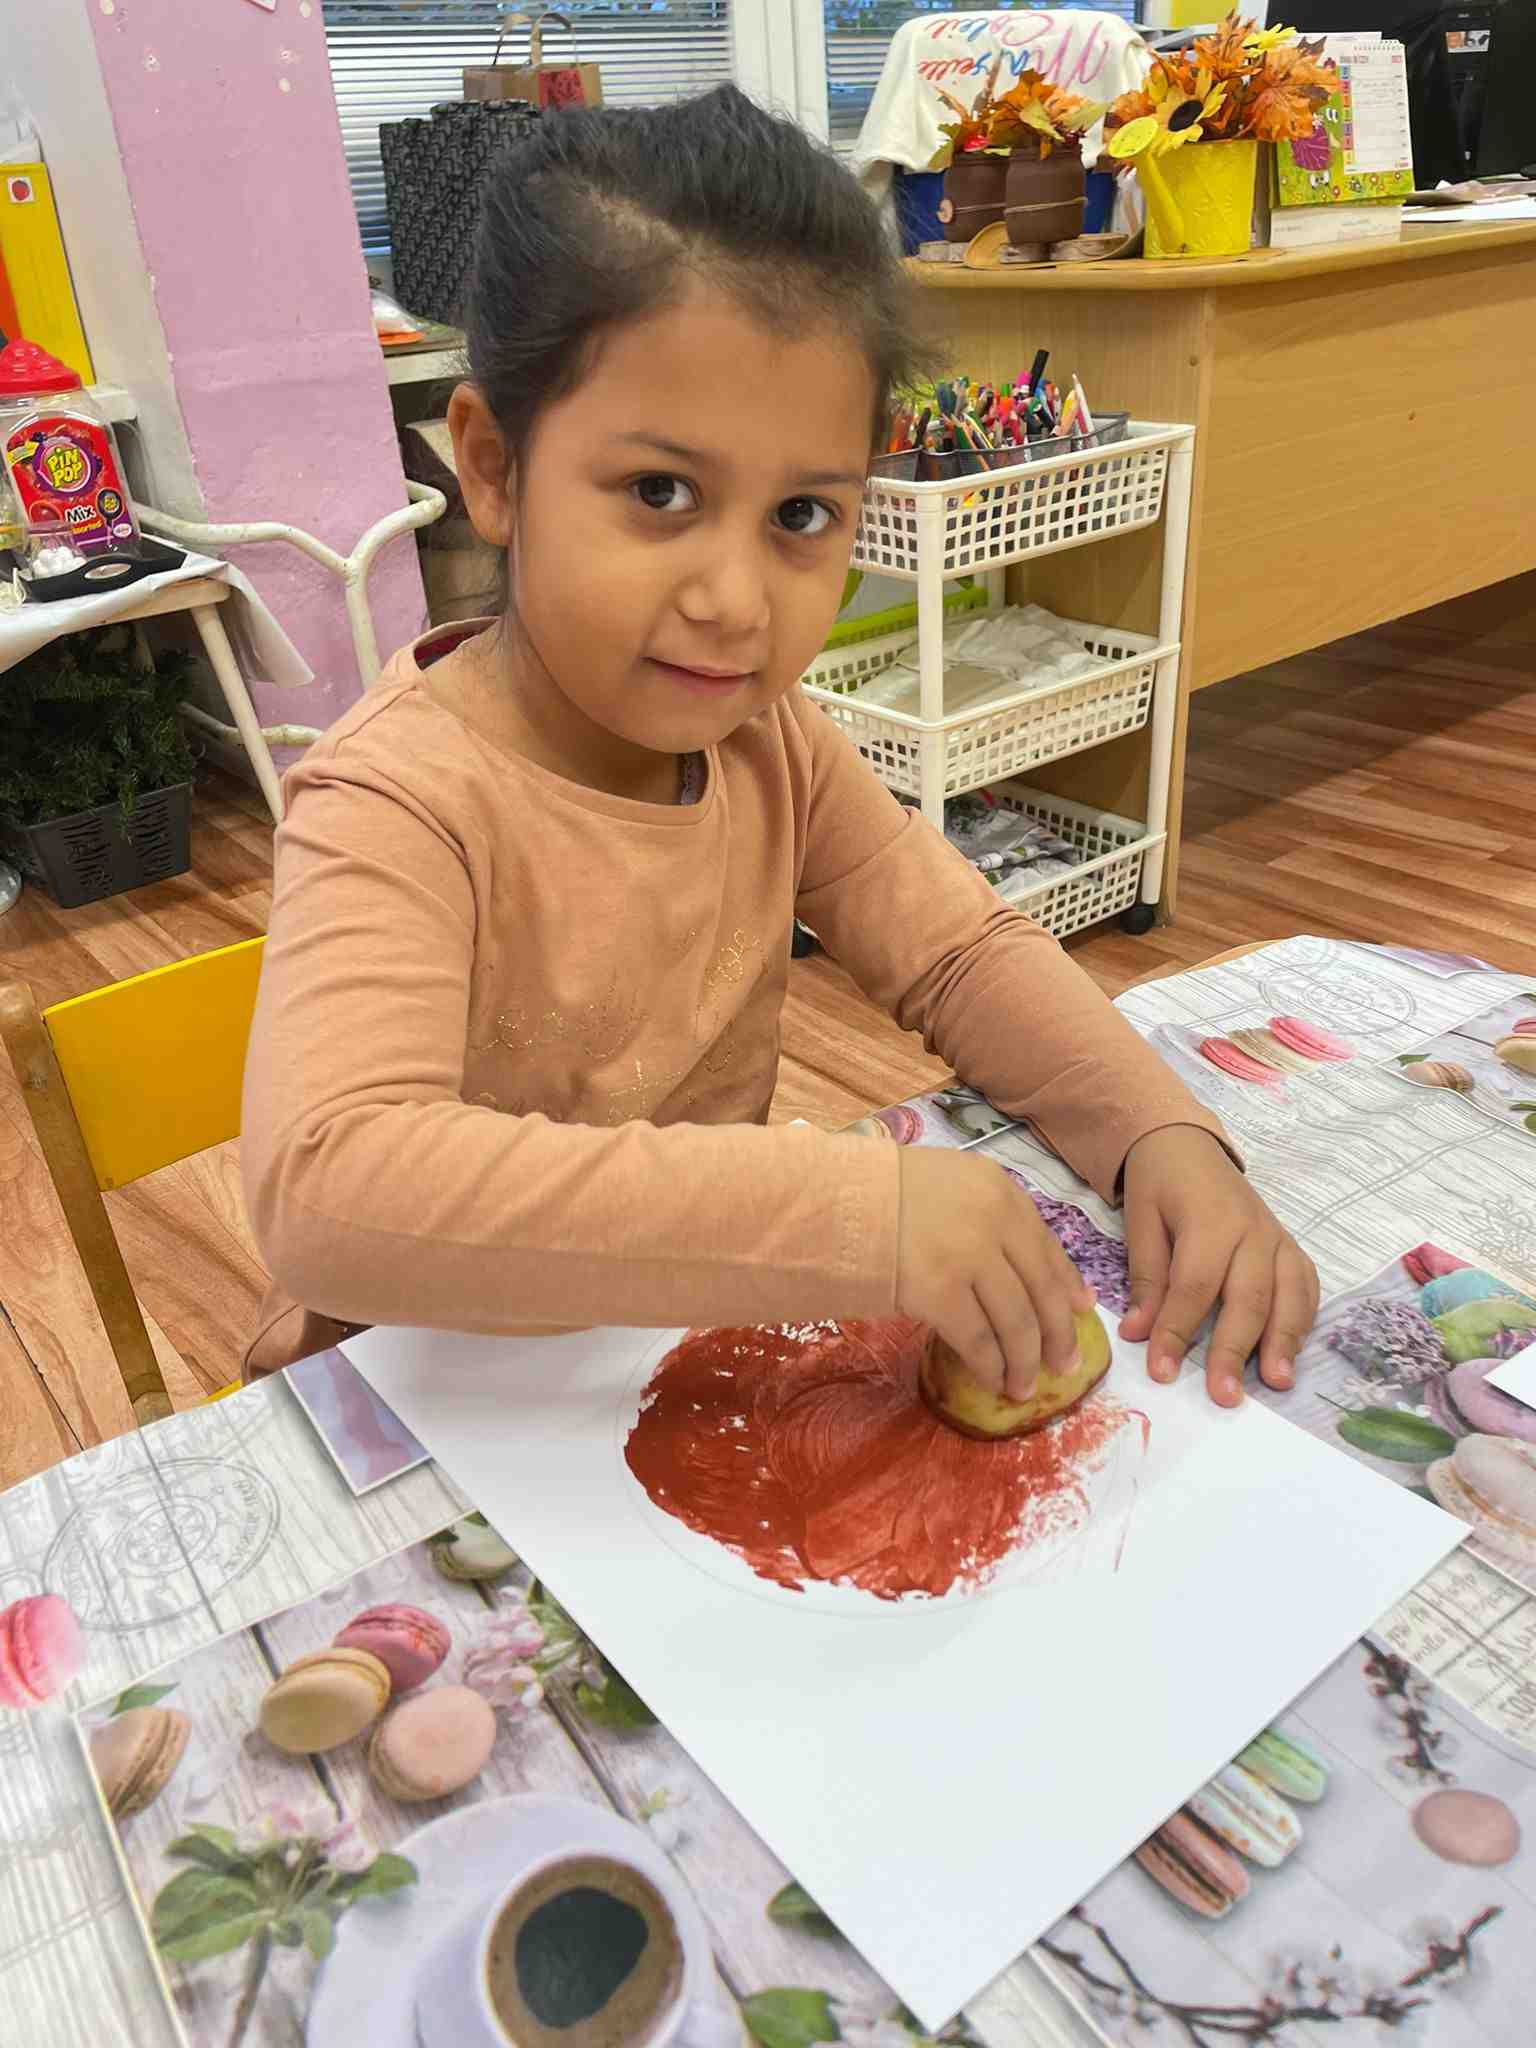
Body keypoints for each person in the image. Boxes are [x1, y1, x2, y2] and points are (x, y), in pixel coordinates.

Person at [241, 86, 1317, 1406]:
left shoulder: (771, 743)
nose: (736, 601)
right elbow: (331, 1191)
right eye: (661, 493)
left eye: (802, 514)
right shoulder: (396, 799)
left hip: (661, 1359)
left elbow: (960, 954)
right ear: (496, 468)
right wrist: (853, 1212)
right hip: (425, 1407)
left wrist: (1160, 1136)